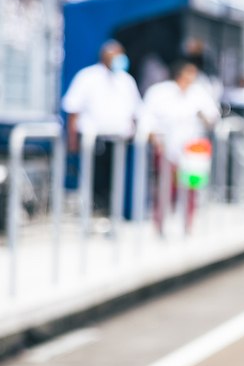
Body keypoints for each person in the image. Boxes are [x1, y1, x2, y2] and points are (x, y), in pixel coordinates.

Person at [61, 40, 142, 215]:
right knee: (93, 180)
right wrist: (72, 140)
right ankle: (91, 215)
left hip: (119, 141)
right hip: (93, 141)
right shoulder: (87, 76)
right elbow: (73, 109)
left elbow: (135, 111)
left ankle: (111, 215)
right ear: (105, 56)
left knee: (115, 181)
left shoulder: (126, 80)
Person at [138, 60, 219, 233]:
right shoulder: (159, 93)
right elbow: (147, 119)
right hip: (167, 147)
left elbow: (213, 117)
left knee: (191, 189)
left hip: (193, 150)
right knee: (166, 188)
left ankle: (187, 225)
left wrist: (204, 116)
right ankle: (160, 225)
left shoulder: (199, 93)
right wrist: (155, 140)